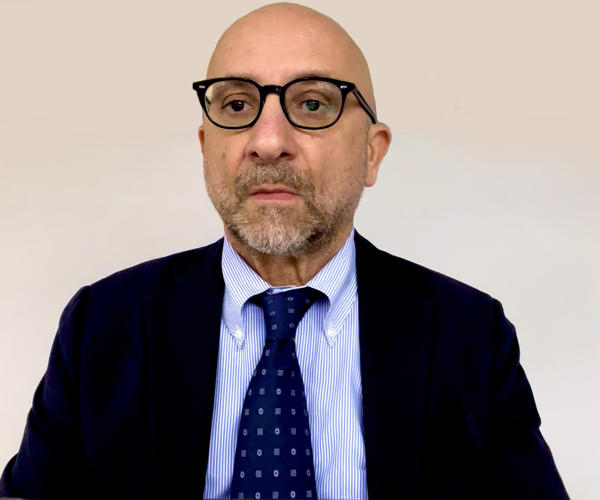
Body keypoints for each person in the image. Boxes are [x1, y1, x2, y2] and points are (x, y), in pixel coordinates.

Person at [0, 3, 568, 499]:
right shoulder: (102, 326)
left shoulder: (470, 336)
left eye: (313, 104)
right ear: (206, 146)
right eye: (237, 105)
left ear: (372, 153)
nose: (268, 142)